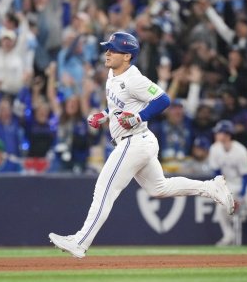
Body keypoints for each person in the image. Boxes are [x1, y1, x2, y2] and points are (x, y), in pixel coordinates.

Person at [48, 31, 236, 258]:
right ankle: (211, 188)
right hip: (140, 142)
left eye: (113, 49)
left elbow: (163, 99)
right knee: (159, 188)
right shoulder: (113, 73)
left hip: (134, 141)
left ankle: (80, 241)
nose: (107, 52)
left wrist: (139, 117)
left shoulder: (133, 78)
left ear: (127, 56)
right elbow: (120, 104)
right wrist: (105, 115)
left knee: (104, 190)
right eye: (107, 47)